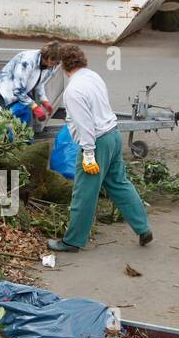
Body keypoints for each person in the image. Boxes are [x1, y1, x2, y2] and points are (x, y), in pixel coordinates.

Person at [47, 44, 152, 253]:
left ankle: (72, 241)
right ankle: (143, 228)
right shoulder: (93, 76)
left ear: (62, 66)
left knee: (83, 194)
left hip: (96, 143)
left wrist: (87, 154)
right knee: (119, 184)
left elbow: (85, 125)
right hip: (113, 135)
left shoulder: (73, 91)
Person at [0, 42, 61, 125]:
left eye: (58, 62)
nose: (56, 64)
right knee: (3, 125)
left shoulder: (49, 66)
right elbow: (17, 90)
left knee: (24, 127)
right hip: (6, 92)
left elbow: (39, 84)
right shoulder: (27, 61)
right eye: (54, 61)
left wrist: (44, 101)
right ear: (47, 56)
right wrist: (34, 107)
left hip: (23, 94)